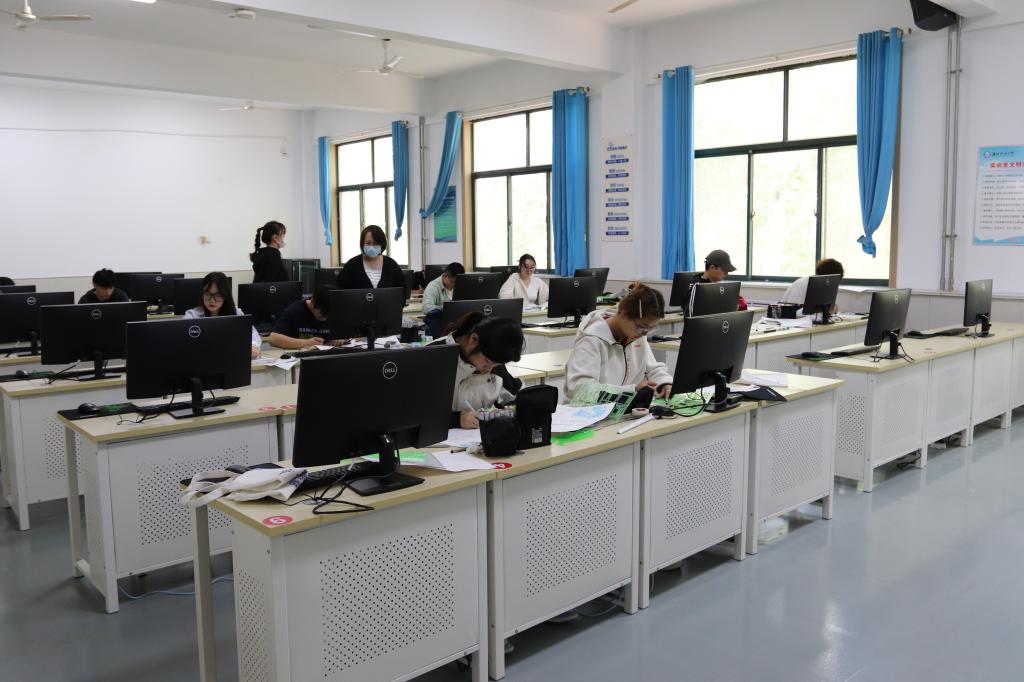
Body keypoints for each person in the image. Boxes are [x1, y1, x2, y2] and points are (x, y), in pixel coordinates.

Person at [565, 282, 673, 403]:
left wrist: (664, 383)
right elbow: (581, 389)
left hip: (621, 407)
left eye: (651, 328)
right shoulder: (591, 340)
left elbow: (652, 369)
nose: (644, 333)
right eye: (642, 327)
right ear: (623, 314)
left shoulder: (635, 335)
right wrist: (631, 390)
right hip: (585, 411)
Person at [428, 312, 525, 428]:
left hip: (479, 436)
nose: (489, 368)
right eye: (487, 361)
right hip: (438, 437)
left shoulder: (492, 358)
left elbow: (515, 396)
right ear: (473, 340)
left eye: (496, 364)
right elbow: (415, 412)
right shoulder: (433, 356)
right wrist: (456, 420)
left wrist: (511, 409)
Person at [183, 272, 262, 359]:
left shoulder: (237, 313)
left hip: (231, 360)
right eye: (208, 294)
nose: (212, 300)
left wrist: (254, 346)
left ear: (225, 296)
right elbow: (183, 342)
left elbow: (253, 334)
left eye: (218, 295)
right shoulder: (192, 316)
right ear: (202, 294)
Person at [268, 286, 340, 349]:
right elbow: (273, 339)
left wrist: (342, 338)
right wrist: (306, 343)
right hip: (301, 355)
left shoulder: (337, 309)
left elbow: (346, 334)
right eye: (322, 314)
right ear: (313, 302)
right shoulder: (294, 310)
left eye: (329, 315)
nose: (325, 319)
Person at [339, 225, 406, 290]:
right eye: (368, 243)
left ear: (382, 244)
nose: (371, 247)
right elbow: (340, 290)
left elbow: (402, 290)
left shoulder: (391, 265)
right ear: (362, 244)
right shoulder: (352, 265)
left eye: (375, 243)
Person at [687, 249, 746, 314]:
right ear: (712, 268)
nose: (726, 274)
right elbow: (689, 314)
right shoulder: (697, 286)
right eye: (724, 270)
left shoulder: (719, 287)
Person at [422, 262, 465, 339]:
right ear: (445, 276)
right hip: (439, 327)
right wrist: (446, 307)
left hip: (453, 325)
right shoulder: (433, 287)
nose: (455, 285)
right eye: (452, 282)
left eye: (457, 282)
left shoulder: (459, 286)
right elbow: (426, 308)